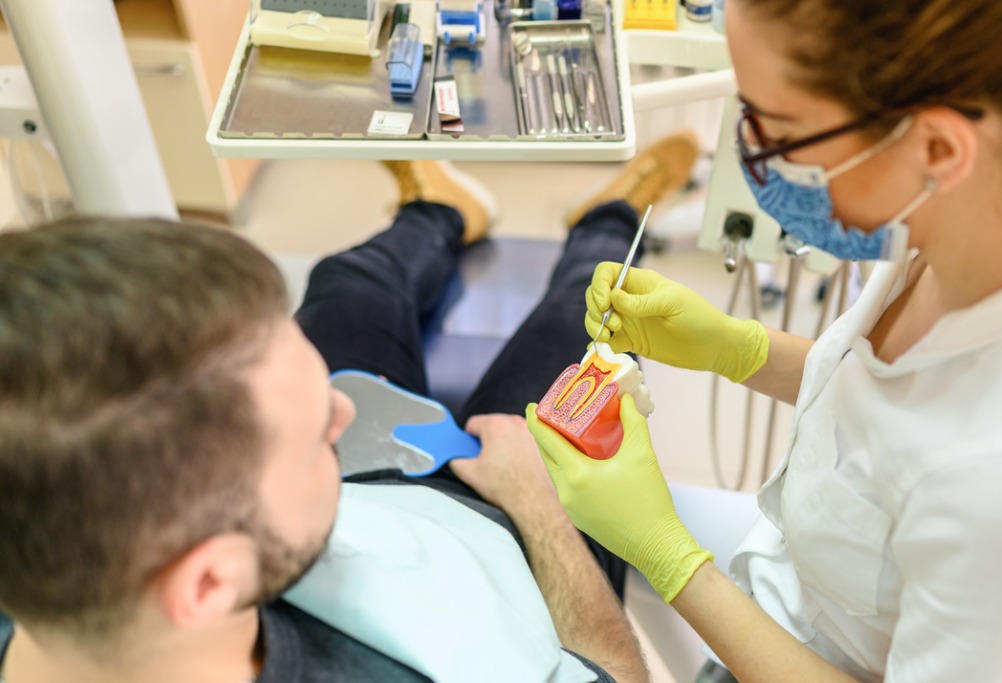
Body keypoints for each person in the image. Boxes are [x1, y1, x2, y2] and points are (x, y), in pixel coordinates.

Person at [525, 0, 1002, 681]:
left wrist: (668, 557)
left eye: (777, 129)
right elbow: (889, 410)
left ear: (936, 147)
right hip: (797, 577)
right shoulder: (971, 219)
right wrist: (732, 347)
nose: (751, 154)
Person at [0, 131, 701, 683]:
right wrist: (542, 511)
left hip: (369, 499)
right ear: (212, 581)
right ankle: (609, 222)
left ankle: (438, 213)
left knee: (349, 284)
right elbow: (616, 675)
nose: (345, 407)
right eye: (313, 434)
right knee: (594, 315)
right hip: (520, 538)